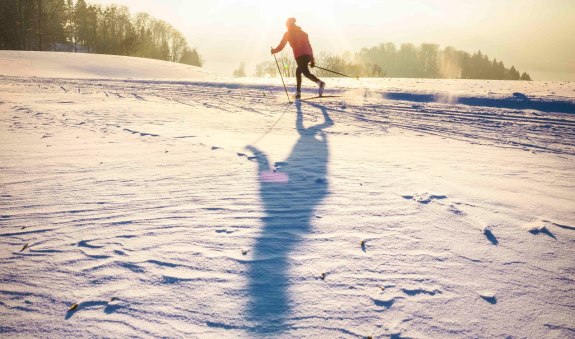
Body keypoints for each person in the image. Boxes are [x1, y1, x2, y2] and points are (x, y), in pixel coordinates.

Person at [271, 18, 325, 99]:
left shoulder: (288, 34)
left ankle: (320, 83)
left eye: (287, 25)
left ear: (288, 25)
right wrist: (312, 59)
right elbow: (309, 45)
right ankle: (298, 93)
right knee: (298, 71)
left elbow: (282, 46)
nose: (287, 27)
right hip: (308, 55)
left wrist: (274, 51)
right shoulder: (303, 33)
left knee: (306, 73)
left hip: (300, 56)